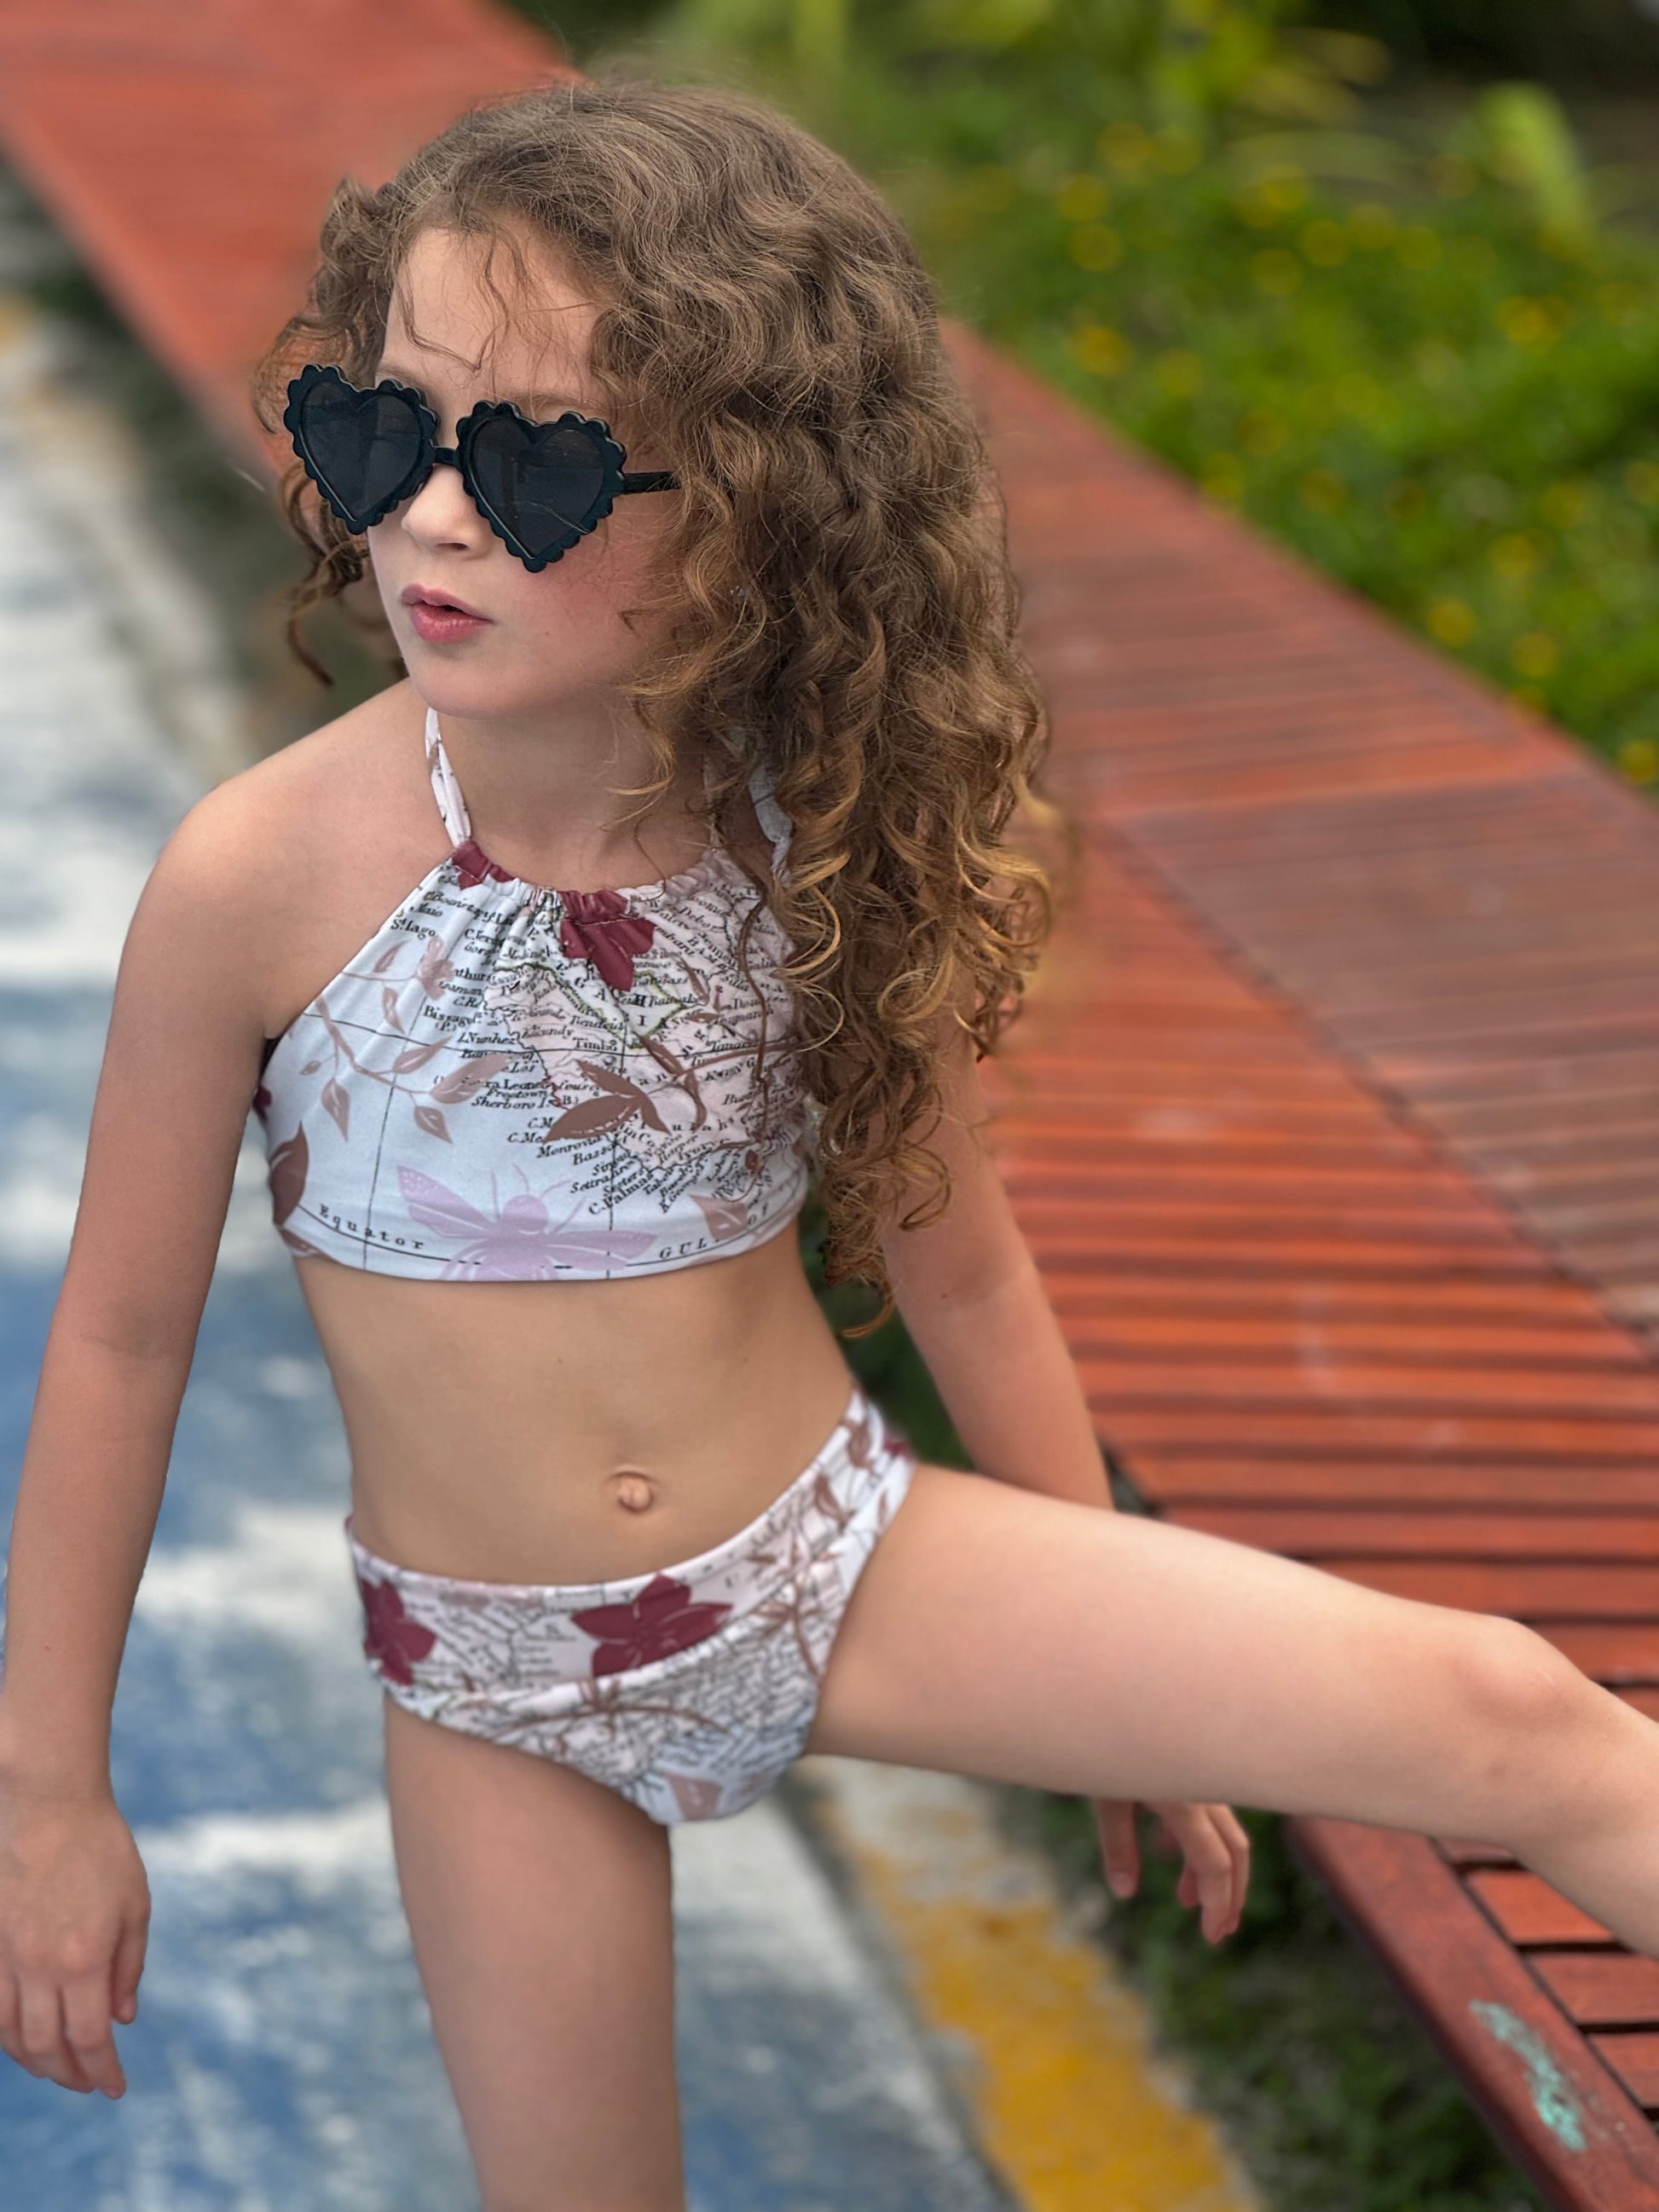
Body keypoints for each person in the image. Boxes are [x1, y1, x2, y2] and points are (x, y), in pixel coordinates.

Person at [1, 71, 1656, 2212]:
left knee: (1517, 1710)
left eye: (533, 461)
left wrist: (1127, 1691)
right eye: (387, 432)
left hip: (834, 1563)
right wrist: (47, 1793)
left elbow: (957, 1255)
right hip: (492, 1678)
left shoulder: (801, 834)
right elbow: (119, 1342)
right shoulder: (261, 877)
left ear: (758, 508)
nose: (431, 518)